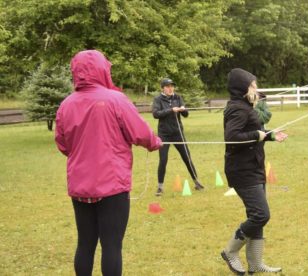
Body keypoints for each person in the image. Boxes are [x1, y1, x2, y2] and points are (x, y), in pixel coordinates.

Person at [55, 50, 163, 276]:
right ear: (102, 70)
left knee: (85, 244)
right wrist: (154, 142)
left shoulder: (66, 104)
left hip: (80, 185)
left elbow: (63, 144)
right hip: (112, 185)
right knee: (112, 246)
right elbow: (140, 132)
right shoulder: (115, 99)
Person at [220, 68, 289, 275]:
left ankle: (255, 263)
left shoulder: (245, 106)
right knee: (261, 215)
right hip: (242, 170)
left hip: (254, 166)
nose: (256, 88)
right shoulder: (238, 109)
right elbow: (232, 137)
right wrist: (259, 134)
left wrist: (269, 135)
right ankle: (230, 251)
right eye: (252, 85)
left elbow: (253, 133)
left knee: (256, 214)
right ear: (242, 88)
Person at [151, 78, 204, 196]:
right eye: (168, 86)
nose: (170, 88)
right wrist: (171, 110)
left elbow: (186, 114)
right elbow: (155, 114)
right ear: (163, 88)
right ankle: (160, 187)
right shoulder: (158, 99)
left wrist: (183, 110)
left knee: (187, 157)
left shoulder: (178, 98)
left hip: (177, 133)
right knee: (163, 160)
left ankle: (197, 182)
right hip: (164, 134)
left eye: (172, 86)